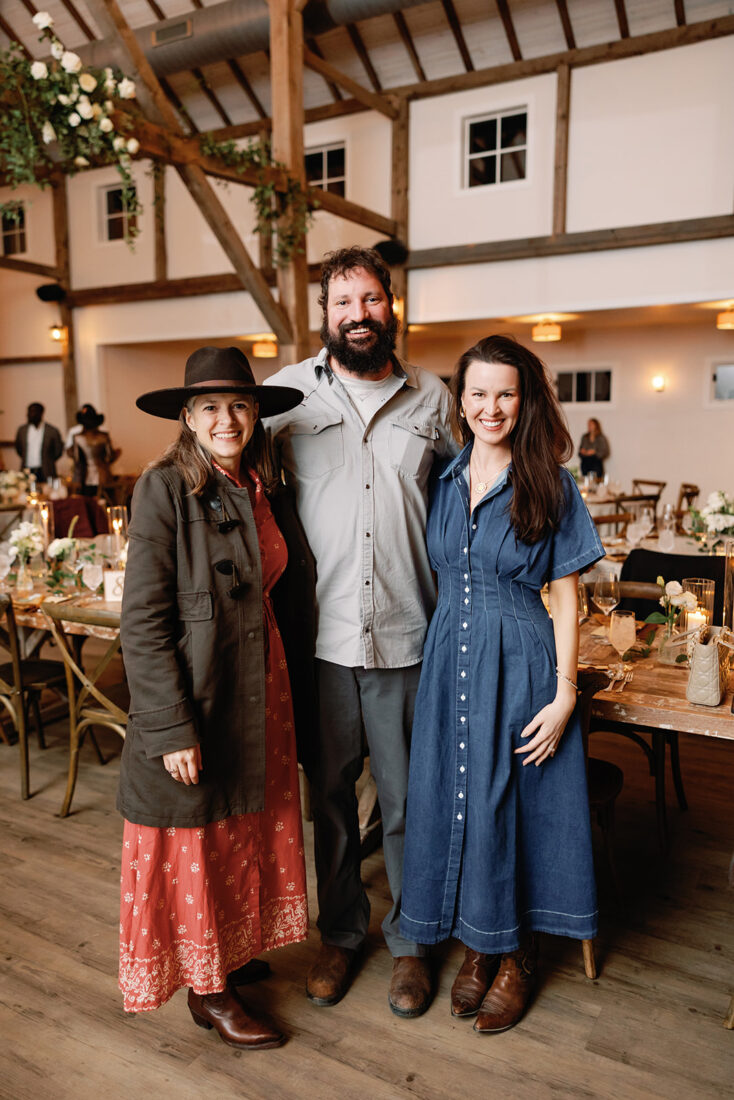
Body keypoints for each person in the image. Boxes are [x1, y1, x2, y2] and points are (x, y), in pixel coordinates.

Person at [265, 246, 458, 1018]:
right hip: (321, 640)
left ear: (391, 304)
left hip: (410, 633)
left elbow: (472, 490)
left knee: (411, 800)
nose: (358, 315)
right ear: (325, 313)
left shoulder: (435, 399)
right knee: (333, 801)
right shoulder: (284, 395)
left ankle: (411, 945)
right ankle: (342, 934)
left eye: (371, 299)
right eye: (343, 302)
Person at [399, 335, 604, 1033]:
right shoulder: (442, 479)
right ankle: (479, 948)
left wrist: (566, 691)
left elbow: (569, 596)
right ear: (461, 401)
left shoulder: (550, 480)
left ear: (525, 400)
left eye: (506, 393)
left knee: (512, 804)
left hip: (520, 656)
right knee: (456, 799)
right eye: (479, 393)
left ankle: (517, 956)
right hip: (449, 656)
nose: (493, 407)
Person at [118, 346, 313, 1050]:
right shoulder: (165, 487)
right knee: (199, 834)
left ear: (256, 414)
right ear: (187, 417)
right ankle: (209, 990)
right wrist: (171, 728)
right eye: (209, 407)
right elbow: (141, 620)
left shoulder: (260, 483)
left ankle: (226, 952)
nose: (226, 419)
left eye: (238, 404)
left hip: (262, 681)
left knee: (243, 828)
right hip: (201, 690)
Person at [68, 404, 120, 496]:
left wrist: (76, 480)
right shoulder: (104, 436)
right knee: (105, 505)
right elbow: (109, 457)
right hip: (104, 476)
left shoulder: (77, 437)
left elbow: (78, 460)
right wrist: (117, 454)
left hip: (85, 477)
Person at [14, 402, 63, 483]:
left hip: (46, 470)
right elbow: (19, 449)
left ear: (40, 413)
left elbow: (58, 451)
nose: (29, 414)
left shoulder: (52, 431)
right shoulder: (22, 430)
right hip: (27, 470)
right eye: (29, 412)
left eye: (33, 412)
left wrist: (48, 460)